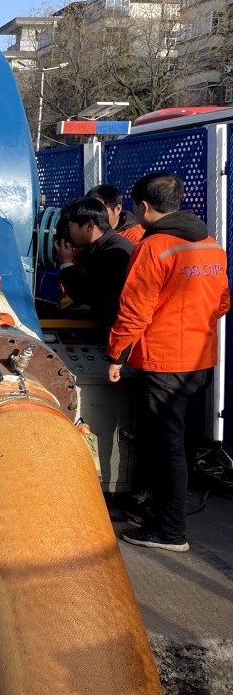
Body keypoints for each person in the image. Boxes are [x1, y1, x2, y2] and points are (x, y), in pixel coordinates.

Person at [106, 172, 229, 552]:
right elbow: (222, 302)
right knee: (181, 441)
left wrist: (115, 355)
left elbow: (135, 310)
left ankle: (169, 531)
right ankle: (158, 511)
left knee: (165, 447)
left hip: (163, 362)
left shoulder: (154, 246)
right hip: (200, 358)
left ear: (144, 206)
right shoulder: (211, 245)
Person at [53, 197, 134, 334]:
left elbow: (87, 294)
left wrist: (66, 264)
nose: (66, 234)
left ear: (89, 226)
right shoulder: (107, 246)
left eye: (69, 227)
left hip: (120, 332)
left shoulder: (112, 254)